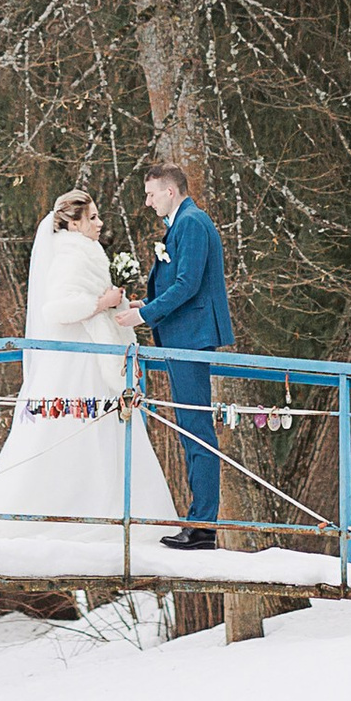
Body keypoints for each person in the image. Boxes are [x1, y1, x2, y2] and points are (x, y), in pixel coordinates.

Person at [0, 190, 178, 535]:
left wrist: (117, 303)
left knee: (101, 434)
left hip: (96, 355)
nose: (99, 223)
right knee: (74, 429)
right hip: (80, 362)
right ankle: (68, 517)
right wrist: (101, 301)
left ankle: (112, 516)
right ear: (73, 223)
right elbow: (57, 309)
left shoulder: (87, 251)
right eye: (92, 217)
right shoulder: (69, 255)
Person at [140, 161, 231, 552]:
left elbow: (188, 284)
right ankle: (199, 522)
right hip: (183, 336)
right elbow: (177, 284)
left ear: (170, 191)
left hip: (191, 338)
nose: (148, 202)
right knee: (191, 427)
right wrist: (143, 304)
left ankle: (202, 525)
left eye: (151, 193)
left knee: (197, 429)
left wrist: (145, 314)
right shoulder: (183, 223)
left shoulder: (192, 223)